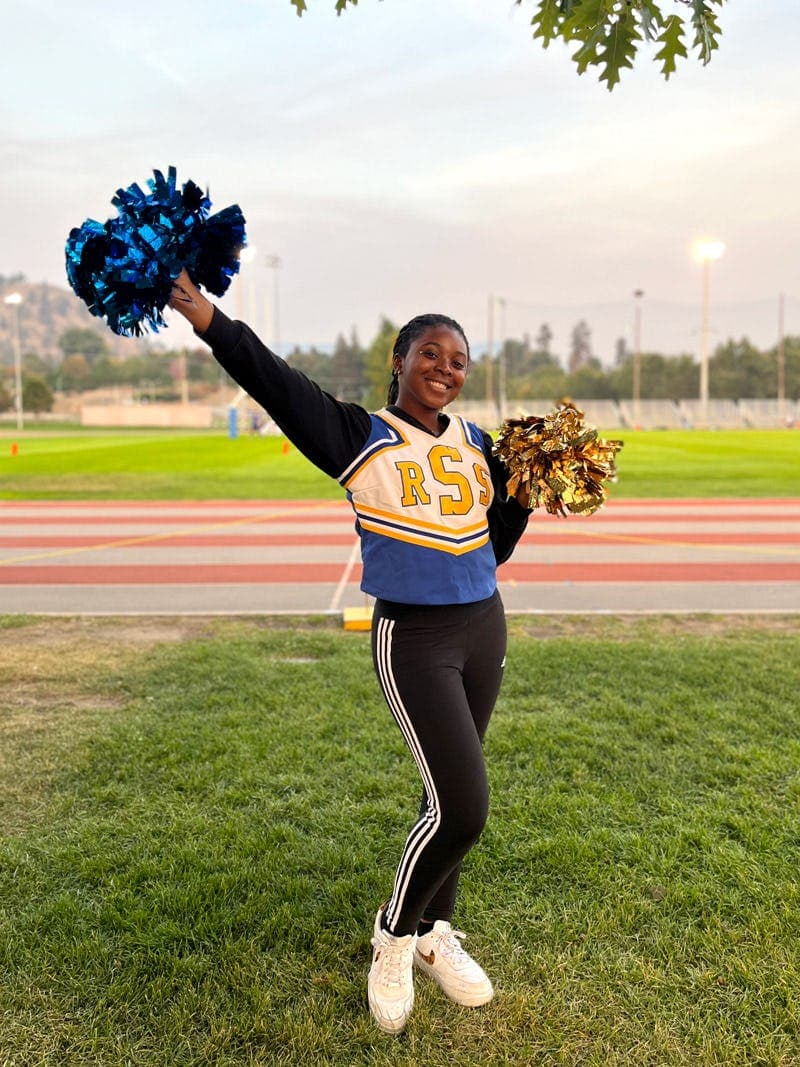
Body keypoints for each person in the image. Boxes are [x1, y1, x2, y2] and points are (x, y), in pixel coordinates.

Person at [168, 269, 531, 1035]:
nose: (446, 369)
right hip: (415, 636)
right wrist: (210, 318)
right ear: (398, 362)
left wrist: (526, 495)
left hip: (483, 625)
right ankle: (395, 936)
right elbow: (276, 381)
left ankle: (436, 933)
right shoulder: (357, 436)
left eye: (460, 360)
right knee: (464, 806)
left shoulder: (477, 444)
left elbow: (493, 547)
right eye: (431, 353)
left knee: (445, 797)